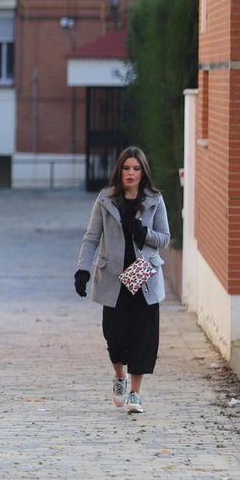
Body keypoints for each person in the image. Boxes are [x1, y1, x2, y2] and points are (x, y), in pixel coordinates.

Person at [74, 145, 171, 415]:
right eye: (127, 168)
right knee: (114, 337)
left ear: (143, 172)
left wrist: (143, 232)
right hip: (114, 278)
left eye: (136, 169)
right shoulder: (106, 199)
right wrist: (82, 270)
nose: (131, 173)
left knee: (143, 336)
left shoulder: (155, 199)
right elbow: (92, 237)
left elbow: (165, 238)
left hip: (144, 276)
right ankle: (120, 377)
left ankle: (136, 395)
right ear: (120, 170)